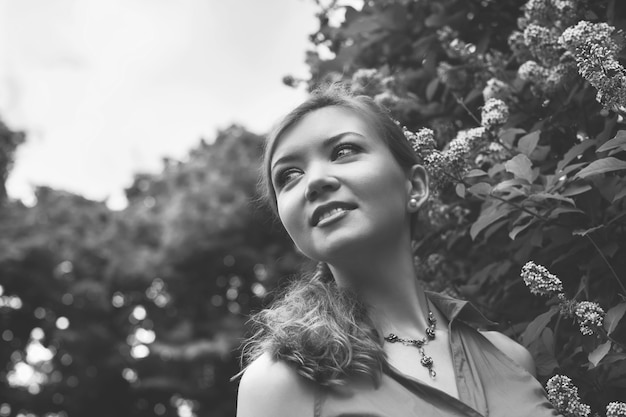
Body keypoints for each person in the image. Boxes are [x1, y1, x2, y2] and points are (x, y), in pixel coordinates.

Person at [234, 84, 562, 417]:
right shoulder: (279, 384)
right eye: (289, 175)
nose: (314, 181)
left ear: (415, 186)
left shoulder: (512, 358)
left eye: (343, 151)